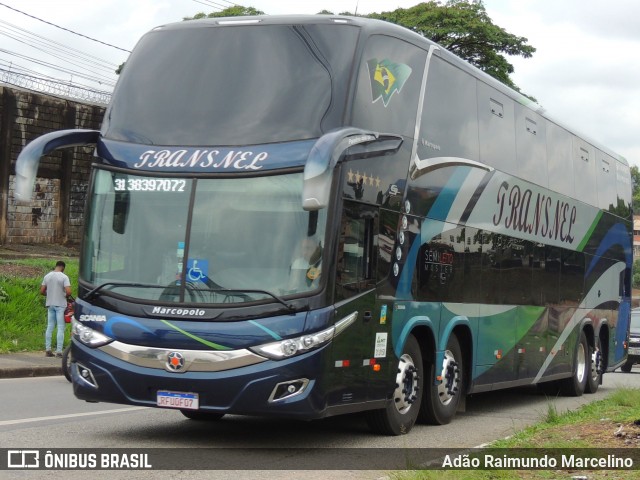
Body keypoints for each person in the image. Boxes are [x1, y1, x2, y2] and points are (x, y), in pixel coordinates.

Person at [40, 260, 72, 357]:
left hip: (50, 304)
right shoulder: (64, 277)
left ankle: (48, 350)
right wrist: (64, 295)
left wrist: (49, 294)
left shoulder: (47, 276)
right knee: (60, 328)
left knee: (50, 326)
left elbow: (41, 291)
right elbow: (69, 292)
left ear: (56, 266)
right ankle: (59, 351)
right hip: (60, 305)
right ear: (63, 268)